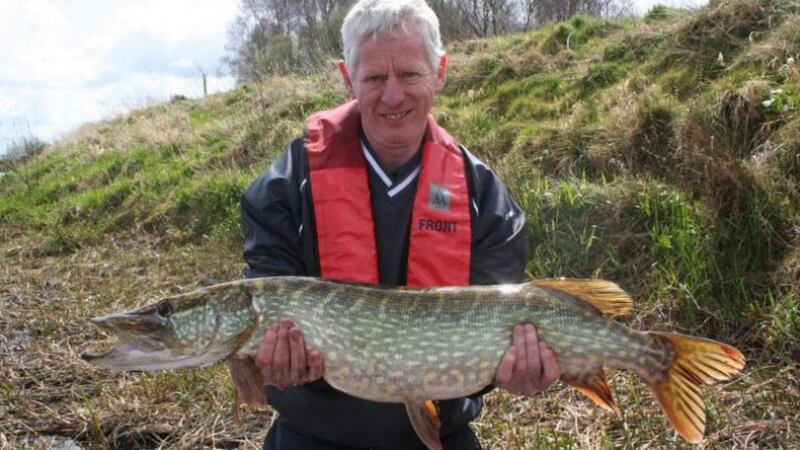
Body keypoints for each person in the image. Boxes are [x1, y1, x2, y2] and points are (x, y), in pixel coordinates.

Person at [239, 0, 560, 448]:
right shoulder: (286, 187)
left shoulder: (484, 197)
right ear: (347, 79)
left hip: (441, 437)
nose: (393, 96)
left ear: (440, 71)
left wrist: (517, 372)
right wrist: (269, 361)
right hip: (311, 435)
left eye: (409, 74)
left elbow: (498, 337)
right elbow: (268, 299)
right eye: (374, 78)